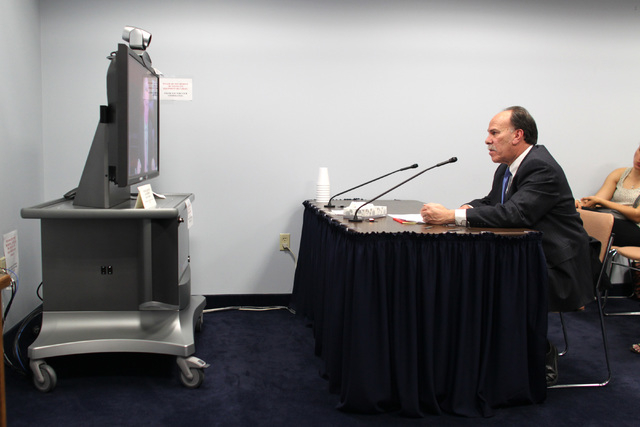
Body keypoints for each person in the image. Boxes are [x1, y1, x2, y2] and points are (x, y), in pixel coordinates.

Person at [420, 106, 593, 386]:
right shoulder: (507, 167)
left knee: (489, 281)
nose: (487, 140)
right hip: (527, 255)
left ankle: (540, 351)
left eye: (494, 133)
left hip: (557, 266)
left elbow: (516, 214)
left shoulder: (541, 167)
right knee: (474, 274)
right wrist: (466, 207)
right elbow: (493, 202)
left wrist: (452, 216)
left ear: (517, 135)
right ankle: (483, 352)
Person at [576, 145, 640, 247]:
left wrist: (603, 202)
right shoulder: (620, 173)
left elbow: (637, 216)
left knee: (591, 220)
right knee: (575, 212)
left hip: (635, 228)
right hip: (613, 219)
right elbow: (596, 201)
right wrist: (578, 203)